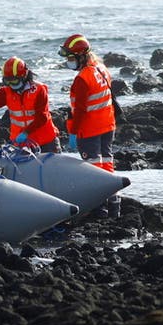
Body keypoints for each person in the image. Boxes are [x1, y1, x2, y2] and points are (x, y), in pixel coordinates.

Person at [60, 33, 119, 216]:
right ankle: (114, 204)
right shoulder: (101, 69)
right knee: (107, 165)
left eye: (71, 57)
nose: (68, 61)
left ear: (80, 56)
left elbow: (80, 110)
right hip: (107, 125)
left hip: (90, 130)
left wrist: (73, 132)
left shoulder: (82, 79)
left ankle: (99, 209)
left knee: (93, 168)